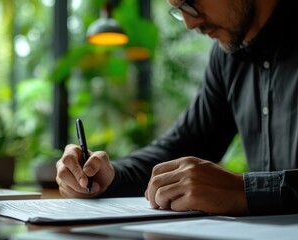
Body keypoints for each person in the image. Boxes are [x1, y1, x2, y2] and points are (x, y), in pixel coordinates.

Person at [55, 0, 298, 216]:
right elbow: (181, 146)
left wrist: (244, 190)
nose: (190, 23)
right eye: (180, 10)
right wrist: (108, 177)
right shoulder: (228, 56)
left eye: (191, 2)